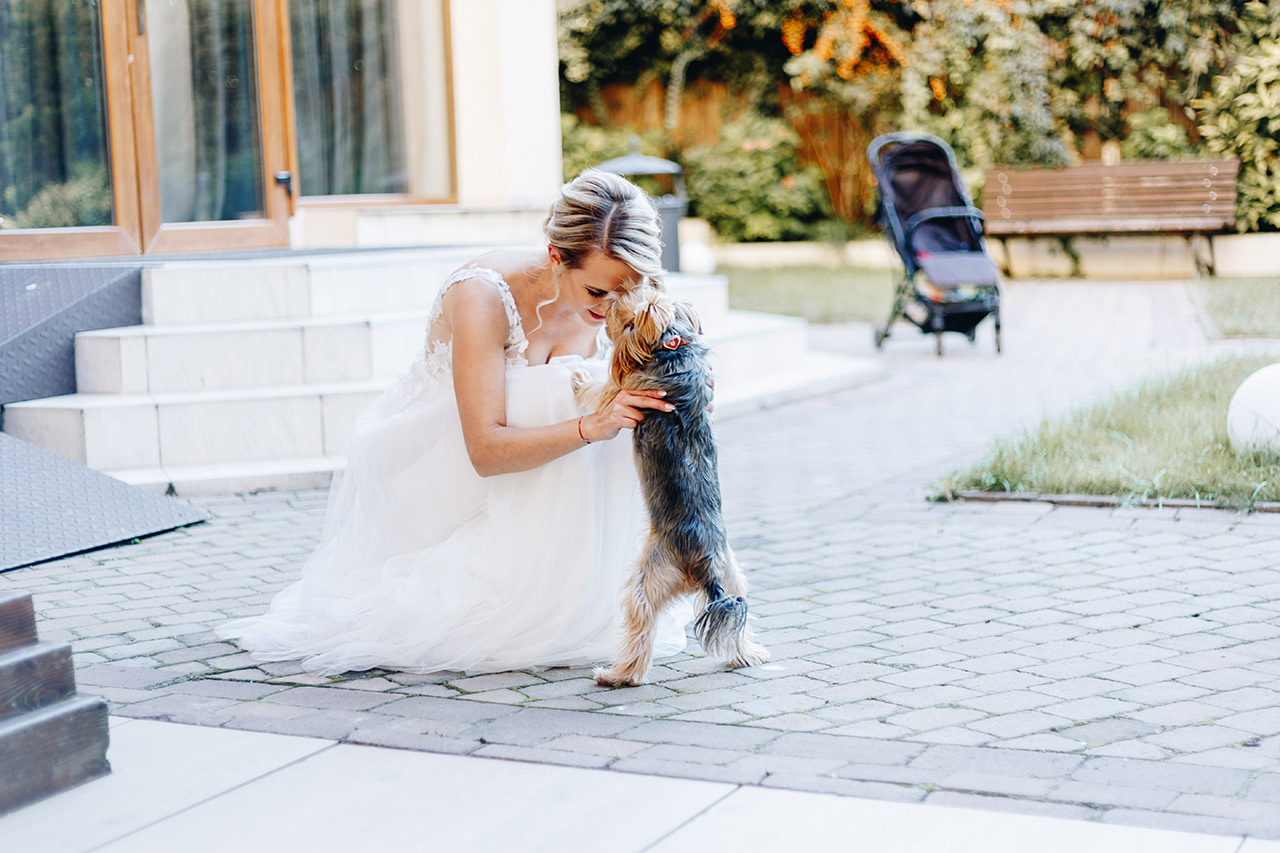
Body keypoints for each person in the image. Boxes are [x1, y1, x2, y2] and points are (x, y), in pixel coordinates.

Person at [218, 170, 693, 676]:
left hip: (549, 486)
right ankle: (532, 580)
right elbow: (484, 451)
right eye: (597, 291)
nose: (613, 308)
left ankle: (580, 581)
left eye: (629, 290)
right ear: (556, 256)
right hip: (446, 471)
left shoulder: (627, 295)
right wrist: (592, 425)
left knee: (614, 402)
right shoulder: (483, 295)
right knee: (563, 398)